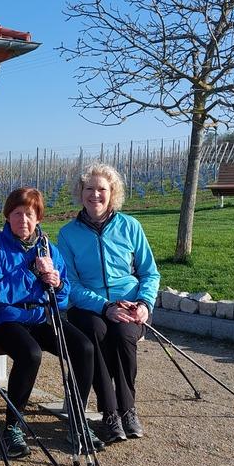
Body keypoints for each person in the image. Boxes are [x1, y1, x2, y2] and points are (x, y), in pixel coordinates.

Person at [0, 187, 103, 457]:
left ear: (39, 218)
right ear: (7, 216)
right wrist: (31, 274)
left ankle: (77, 418)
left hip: (41, 316)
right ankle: (13, 426)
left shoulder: (48, 248)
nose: (23, 220)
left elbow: (63, 293)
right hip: (7, 319)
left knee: (83, 348)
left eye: (29, 214)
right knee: (30, 353)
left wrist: (55, 284)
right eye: (17, 213)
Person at [57, 163, 160, 444]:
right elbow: (71, 285)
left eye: (101, 189)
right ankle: (110, 412)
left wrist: (144, 304)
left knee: (124, 336)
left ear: (112, 192)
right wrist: (104, 307)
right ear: (80, 193)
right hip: (88, 307)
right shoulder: (68, 234)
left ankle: (129, 409)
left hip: (128, 304)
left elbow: (150, 272)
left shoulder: (131, 227)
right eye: (88, 189)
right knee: (96, 333)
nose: (95, 195)